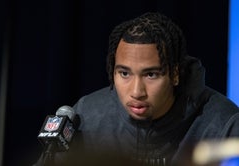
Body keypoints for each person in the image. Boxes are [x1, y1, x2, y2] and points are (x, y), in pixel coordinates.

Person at [34, 12, 239, 166]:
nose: (136, 92)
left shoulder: (224, 124)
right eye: (124, 73)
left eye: (151, 74)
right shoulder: (86, 116)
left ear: (175, 74)